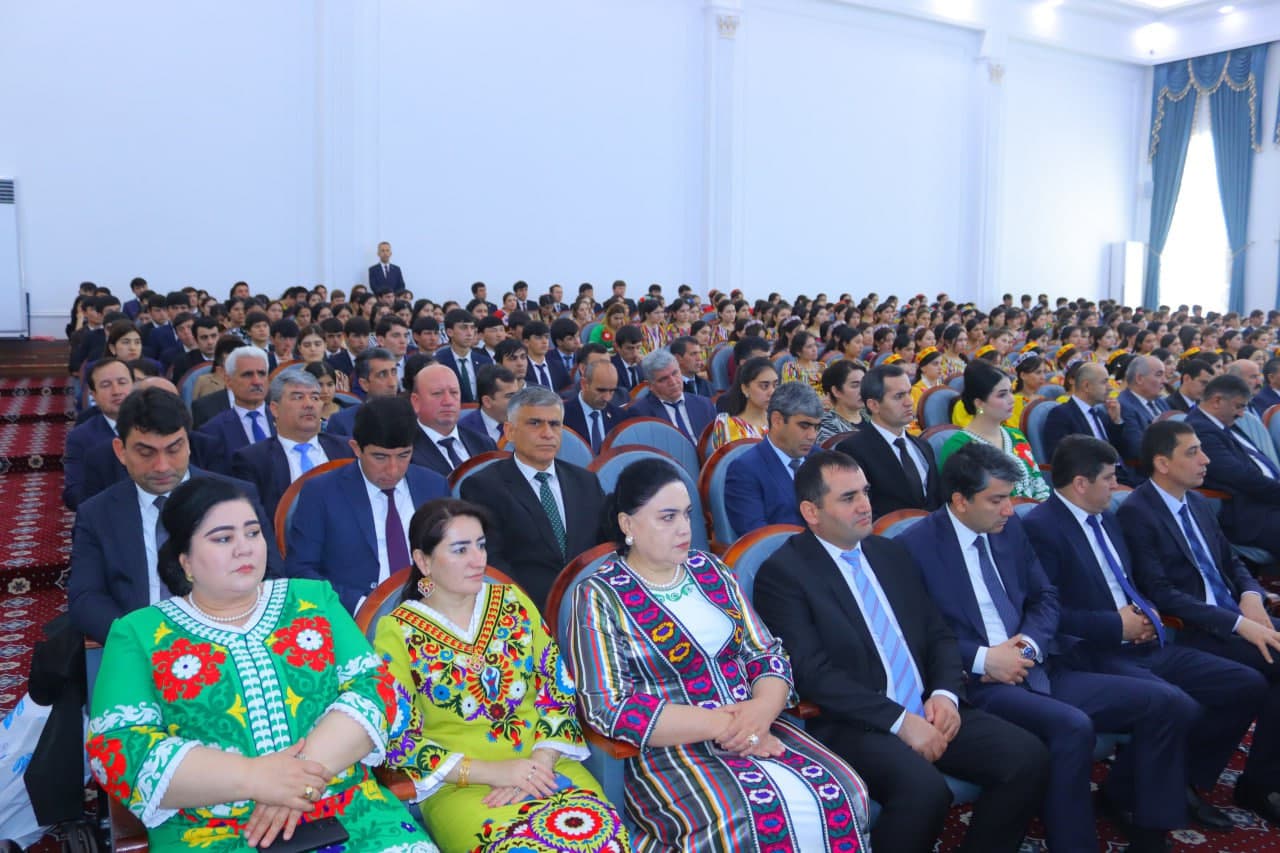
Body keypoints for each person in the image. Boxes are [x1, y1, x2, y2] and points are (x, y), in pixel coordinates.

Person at [87, 477, 435, 852]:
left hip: (347, 809)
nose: (245, 548)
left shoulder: (313, 599)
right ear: (185, 560)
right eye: (223, 538)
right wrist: (254, 778)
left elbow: (376, 689)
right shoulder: (138, 633)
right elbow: (119, 746)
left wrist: (295, 782)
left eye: (253, 533)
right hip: (209, 831)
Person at [899, 443, 1198, 853]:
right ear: (960, 500)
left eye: (1009, 498)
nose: (1009, 509)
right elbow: (917, 633)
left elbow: (1046, 597)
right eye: (997, 500)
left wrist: (1028, 645)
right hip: (980, 683)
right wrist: (987, 658)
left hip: (1038, 664)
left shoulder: (1009, 529)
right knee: (1071, 727)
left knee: (1167, 703)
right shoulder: (914, 547)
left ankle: (1148, 836)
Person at [568, 458, 871, 851]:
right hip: (671, 749)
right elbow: (608, 706)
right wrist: (728, 726)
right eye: (667, 517)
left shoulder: (712, 571)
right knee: (747, 819)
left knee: (846, 791)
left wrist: (762, 711)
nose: (684, 528)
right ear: (627, 524)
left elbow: (767, 653)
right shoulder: (600, 594)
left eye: (687, 514)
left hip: (759, 726)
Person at [754, 451, 1048, 853]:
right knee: (925, 791)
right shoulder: (784, 574)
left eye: (865, 492)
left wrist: (945, 695)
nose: (864, 505)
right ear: (811, 511)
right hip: (856, 721)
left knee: (1027, 757)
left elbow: (937, 634)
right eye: (848, 498)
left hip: (927, 704)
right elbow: (812, 673)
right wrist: (900, 722)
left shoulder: (889, 553)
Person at [1025, 435, 1266, 830]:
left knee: (1245, 684)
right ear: (1081, 483)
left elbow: (1130, 581)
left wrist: (1147, 612)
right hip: (1093, 652)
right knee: (1177, 705)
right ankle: (1147, 819)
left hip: (1144, 642)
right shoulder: (1041, 528)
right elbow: (1048, 612)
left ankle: (1147, 785)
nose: (1117, 485)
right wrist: (1116, 625)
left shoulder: (1106, 517)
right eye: (1108, 478)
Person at [372, 498, 626, 852]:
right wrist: (497, 772)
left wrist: (538, 764)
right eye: (460, 550)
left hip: (546, 768)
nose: (478, 560)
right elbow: (399, 738)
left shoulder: (513, 602)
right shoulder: (397, 631)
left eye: (481, 545)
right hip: (460, 785)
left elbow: (557, 689)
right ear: (424, 561)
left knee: (604, 842)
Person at [1117, 419, 1280, 823]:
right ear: (1162, 463)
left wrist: (1250, 595)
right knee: (1260, 676)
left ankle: (1258, 780)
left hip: (1231, 615)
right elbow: (1161, 592)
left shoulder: (1196, 502)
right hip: (1191, 629)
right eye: (1192, 453)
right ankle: (1236, 781)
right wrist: (1237, 624)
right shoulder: (1138, 511)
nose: (1205, 460)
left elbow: (1232, 562)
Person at [69, 387, 282, 645]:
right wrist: (139, 639)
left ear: (188, 444)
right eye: (146, 453)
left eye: (173, 449)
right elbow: (85, 597)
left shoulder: (236, 497)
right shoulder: (97, 513)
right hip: (141, 645)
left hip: (230, 640)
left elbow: (271, 575)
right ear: (121, 451)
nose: (162, 466)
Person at [285, 395, 448, 612]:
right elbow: (301, 572)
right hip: (354, 613)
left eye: (403, 455)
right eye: (380, 457)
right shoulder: (321, 492)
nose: (393, 469)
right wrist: (364, 607)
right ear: (356, 448)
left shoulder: (434, 485)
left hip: (432, 608)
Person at [458, 386, 605, 607]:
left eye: (554, 424)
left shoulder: (586, 482)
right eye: (535, 423)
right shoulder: (483, 487)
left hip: (590, 605)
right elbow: (492, 563)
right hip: (524, 609)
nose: (547, 433)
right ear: (510, 431)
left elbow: (604, 548)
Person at [229, 370, 355, 519]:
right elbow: (255, 519)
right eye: (298, 397)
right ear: (275, 409)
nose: (309, 404)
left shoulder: (347, 449)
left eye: (315, 397)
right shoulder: (253, 460)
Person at [1186, 374, 1280, 556]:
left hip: (1264, 501)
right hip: (1248, 513)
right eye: (1239, 406)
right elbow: (1240, 477)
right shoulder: (1200, 430)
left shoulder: (1220, 423)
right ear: (1217, 401)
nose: (1242, 414)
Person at [837, 364, 943, 519]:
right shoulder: (853, 450)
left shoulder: (923, 446)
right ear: (874, 405)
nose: (909, 402)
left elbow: (937, 500)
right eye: (899, 396)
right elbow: (860, 510)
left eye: (909, 393)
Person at [937, 361, 1050, 501]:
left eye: (1011, 392)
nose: (1012, 399)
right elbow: (962, 502)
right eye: (1002, 395)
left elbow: (1039, 484)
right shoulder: (959, 446)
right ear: (979, 403)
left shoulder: (1016, 436)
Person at [724, 382, 823, 534]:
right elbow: (758, 538)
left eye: (816, 427)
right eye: (804, 426)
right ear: (777, 420)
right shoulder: (744, 470)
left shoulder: (822, 459)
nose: (812, 436)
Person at [63, 358, 133, 510]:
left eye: (122, 382)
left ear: (134, 386)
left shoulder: (155, 425)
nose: (116, 391)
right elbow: (73, 495)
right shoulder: (81, 437)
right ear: (93, 395)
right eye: (106, 385)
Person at [409, 364, 498, 478]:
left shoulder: (485, 444)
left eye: (454, 392)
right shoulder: (403, 452)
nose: (448, 401)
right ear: (416, 402)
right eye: (437, 393)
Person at [1040, 361, 1127, 470]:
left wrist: (1116, 421)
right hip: (1091, 476)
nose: (1110, 387)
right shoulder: (1061, 415)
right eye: (1104, 382)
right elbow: (1059, 458)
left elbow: (1120, 450)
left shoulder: (1101, 413)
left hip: (1119, 473)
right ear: (1086, 386)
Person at [626, 349, 716, 443]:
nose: (673, 382)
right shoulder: (641, 413)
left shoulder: (704, 404)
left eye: (675, 373)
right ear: (650, 386)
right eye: (664, 379)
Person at [325, 347, 400, 437]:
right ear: (364, 384)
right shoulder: (342, 422)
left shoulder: (408, 416)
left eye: (394, 372)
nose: (392, 383)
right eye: (382, 375)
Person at [708, 356, 776, 453]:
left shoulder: (781, 421)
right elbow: (722, 461)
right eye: (764, 386)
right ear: (745, 389)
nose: (772, 392)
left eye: (775, 385)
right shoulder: (727, 426)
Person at [562, 359, 627, 454]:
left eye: (612, 391)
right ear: (584, 384)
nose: (607, 398)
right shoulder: (562, 416)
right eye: (601, 390)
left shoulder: (620, 417)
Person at [1117, 355, 1170, 461]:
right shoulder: (1124, 406)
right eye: (1159, 375)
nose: (1165, 381)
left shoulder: (1161, 402)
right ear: (1139, 379)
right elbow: (1137, 450)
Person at [435, 309, 492, 404]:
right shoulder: (438, 362)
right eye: (464, 328)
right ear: (449, 332)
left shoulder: (485, 361)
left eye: (472, 328)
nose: (470, 333)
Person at [458, 364, 518, 446]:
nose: (518, 401)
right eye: (510, 396)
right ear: (487, 402)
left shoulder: (524, 425)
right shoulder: (463, 432)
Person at [816, 358, 865, 442]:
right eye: (855, 386)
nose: (862, 390)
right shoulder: (827, 426)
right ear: (836, 391)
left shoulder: (873, 416)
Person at [781, 331, 824, 399]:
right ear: (798, 352)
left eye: (815, 345)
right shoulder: (791, 368)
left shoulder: (822, 366)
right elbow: (791, 394)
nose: (814, 349)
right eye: (809, 347)